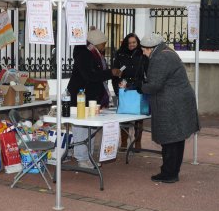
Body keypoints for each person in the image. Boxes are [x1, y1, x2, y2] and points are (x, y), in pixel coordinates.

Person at [137, 33, 200, 183]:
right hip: (179, 101)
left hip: (171, 104)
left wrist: (140, 87)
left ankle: (168, 173)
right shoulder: (168, 52)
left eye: (145, 50)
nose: (144, 53)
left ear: (152, 48)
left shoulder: (160, 58)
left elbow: (155, 85)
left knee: (170, 139)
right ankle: (173, 171)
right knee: (177, 138)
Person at [67, 28, 122, 168]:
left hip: (90, 96)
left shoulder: (95, 54)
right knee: (81, 128)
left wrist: (109, 73)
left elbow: (96, 74)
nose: (104, 47)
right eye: (103, 44)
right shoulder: (84, 54)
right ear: (96, 43)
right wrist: (110, 73)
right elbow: (90, 76)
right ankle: (81, 158)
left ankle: (88, 156)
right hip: (80, 96)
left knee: (89, 127)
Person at [112, 33, 149, 151]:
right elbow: (114, 73)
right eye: (129, 43)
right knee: (124, 116)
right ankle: (123, 142)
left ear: (137, 43)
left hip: (139, 88)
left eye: (134, 42)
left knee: (139, 117)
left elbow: (148, 72)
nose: (132, 45)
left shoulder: (142, 55)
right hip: (124, 88)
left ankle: (137, 142)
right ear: (125, 44)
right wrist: (117, 90)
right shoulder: (119, 55)